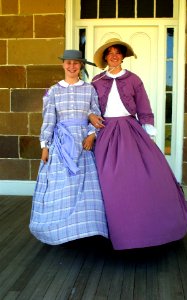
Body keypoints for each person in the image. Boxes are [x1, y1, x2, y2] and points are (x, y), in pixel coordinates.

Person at [89, 38, 187, 250]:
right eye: (110, 53)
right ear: (105, 57)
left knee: (141, 176)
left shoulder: (134, 79)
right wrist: (90, 117)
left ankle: (145, 228)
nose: (114, 56)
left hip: (130, 130)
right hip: (105, 132)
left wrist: (148, 131)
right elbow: (88, 107)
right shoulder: (96, 81)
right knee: (105, 179)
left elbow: (144, 108)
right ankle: (106, 231)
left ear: (123, 57)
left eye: (118, 52)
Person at [29, 50, 108, 245]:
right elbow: (49, 119)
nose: (72, 66)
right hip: (61, 143)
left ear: (81, 65)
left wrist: (91, 135)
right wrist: (44, 146)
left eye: (76, 63)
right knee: (63, 184)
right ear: (63, 65)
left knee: (85, 184)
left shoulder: (89, 89)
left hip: (83, 142)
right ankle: (61, 229)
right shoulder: (54, 90)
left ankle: (85, 229)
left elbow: (96, 113)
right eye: (68, 63)